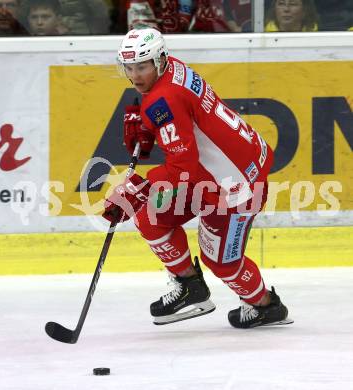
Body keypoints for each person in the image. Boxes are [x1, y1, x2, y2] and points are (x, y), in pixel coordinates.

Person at [103, 28, 293, 329]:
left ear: (159, 60)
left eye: (142, 66)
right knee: (149, 214)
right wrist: (149, 126)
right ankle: (190, 286)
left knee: (222, 262)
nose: (135, 75)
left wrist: (143, 186)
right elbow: (182, 115)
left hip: (234, 187)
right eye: (129, 67)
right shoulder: (174, 68)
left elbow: (183, 167)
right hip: (227, 168)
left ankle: (265, 306)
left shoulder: (161, 100)